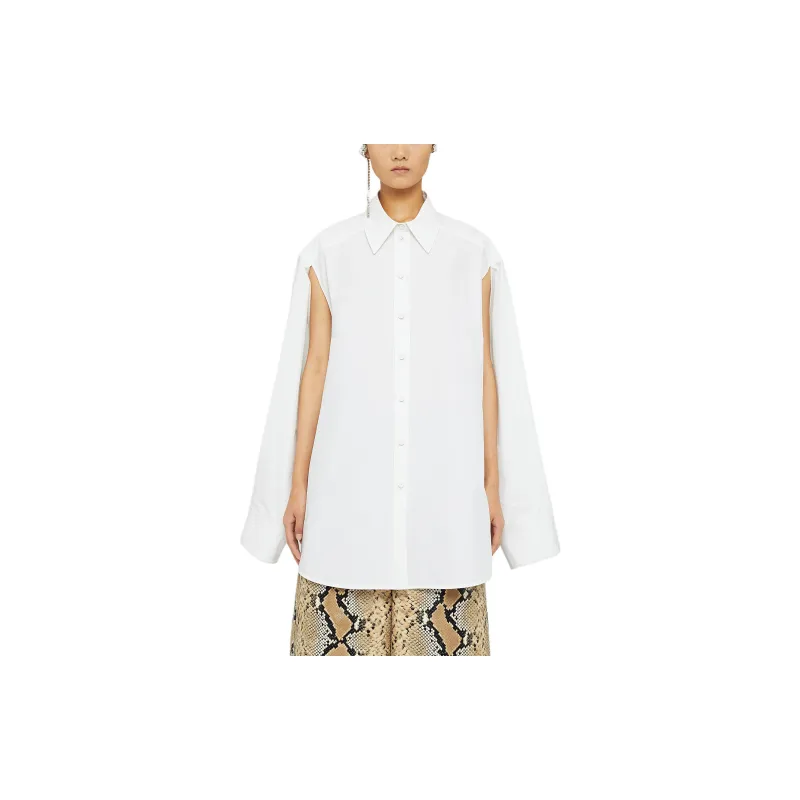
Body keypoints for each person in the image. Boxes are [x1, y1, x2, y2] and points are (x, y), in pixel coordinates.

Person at [241, 144, 559, 656]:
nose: (400, 149)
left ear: (435, 142)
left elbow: (487, 372)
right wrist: (296, 486)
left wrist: (491, 485)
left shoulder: (473, 253)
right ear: (364, 145)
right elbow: (312, 370)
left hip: (445, 509)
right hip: (344, 508)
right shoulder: (329, 252)